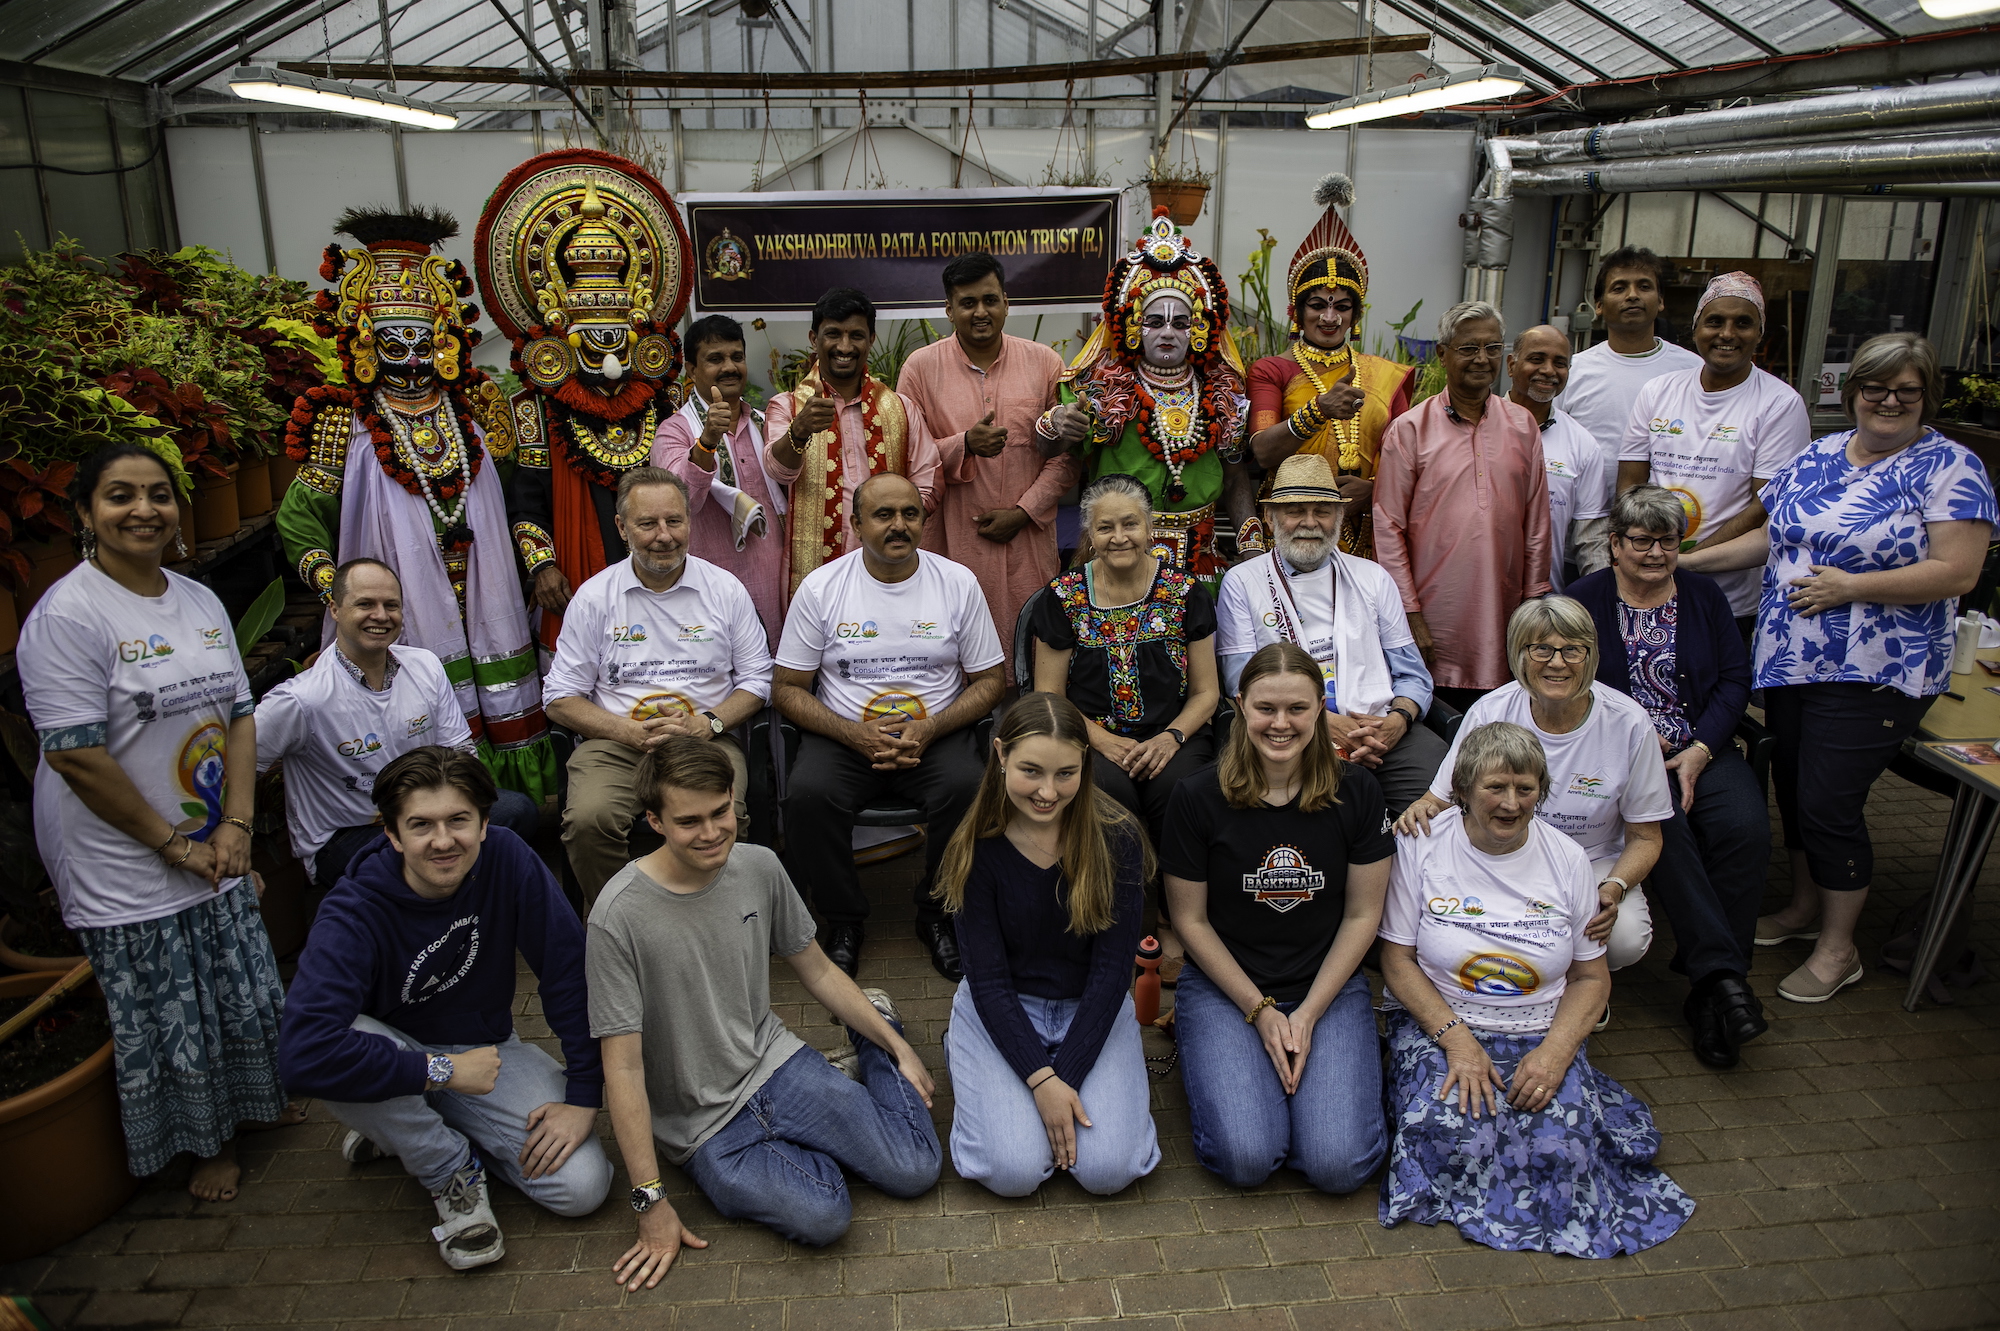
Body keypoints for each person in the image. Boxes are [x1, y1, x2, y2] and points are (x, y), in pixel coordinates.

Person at [21, 442, 298, 1203]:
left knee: (236, 981)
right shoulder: (67, 616)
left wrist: (236, 822)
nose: (143, 509)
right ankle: (203, 1146)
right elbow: (77, 755)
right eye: (119, 495)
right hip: (124, 854)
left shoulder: (197, 598)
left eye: (158, 494)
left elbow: (240, 715)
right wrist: (172, 844)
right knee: (167, 1006)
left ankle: (257, 1105)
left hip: (213, 837)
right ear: (84, 513)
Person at [1681, 332, 1994, 1004]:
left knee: (1829, 803)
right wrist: (1684, 564)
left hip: (1877, 669)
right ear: (1852, 392)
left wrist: (1853, 587)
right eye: (1875, 387)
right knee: (1794, 789)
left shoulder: (1952, 468)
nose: (1889, 400)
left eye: (1905, 391)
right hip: (1794, 660)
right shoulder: (1820, 454)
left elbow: (1959, 570)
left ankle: (1838, 945)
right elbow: (1775, 538)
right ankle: (1800, 909)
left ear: (1925, 397)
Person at [589, 739, 939, 1285]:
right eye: (689, 821)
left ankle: (873, 1033)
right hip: (703, 1126)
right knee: (825, 1216)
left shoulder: (759, 865)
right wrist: (649, 1201)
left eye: (720, 812)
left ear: (734, 799)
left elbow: (818, 970)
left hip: (776, 1065)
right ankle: (832, 1102)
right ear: (654, 820)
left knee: (916, 1168)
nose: (711, 833)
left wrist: (898, 1048)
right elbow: (623, 1068)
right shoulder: (616, 916)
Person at [278, 746, 610, 1269]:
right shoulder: (352, 910)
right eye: (420, 825)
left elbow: (568, 972)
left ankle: (403, 1127)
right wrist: (441, 1070)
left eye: (459, 820)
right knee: (342, 1040)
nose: (442, 841)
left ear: (483, 823)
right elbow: (301, 1054)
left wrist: (584, 1094)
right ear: (390, 834)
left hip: (484, 1051)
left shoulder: (508, 857)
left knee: (582, 1188)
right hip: (402, 1052)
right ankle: (447, 1167)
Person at [1378, 721, 1695, 1256]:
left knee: (1563, 1148)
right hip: (1441, 1023)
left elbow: (1592, 977)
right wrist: (1457, 1041)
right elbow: (1397, 958)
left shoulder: (1568, 860)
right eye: (1495, 787)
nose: (1510, 803)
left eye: (1525, 789)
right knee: (1448, 1129)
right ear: (1461, 790)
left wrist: (1555, 1054)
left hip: (1538, 1027)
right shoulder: (1422, 845)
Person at [277, 205, 555, 802]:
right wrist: (336, 588)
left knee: (503, 705)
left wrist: (535, 559)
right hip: (389, 601)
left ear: (445, 338)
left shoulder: (479, 410)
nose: (408, 354)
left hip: (487, 587)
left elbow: (517, 498)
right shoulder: (341, 421)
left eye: (420, 338)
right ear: (366, 339)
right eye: (392, 339)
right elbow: (300, 519)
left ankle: (513, 817)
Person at [1159, 643, 1394, 1193]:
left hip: (1324, 987)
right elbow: (1189, 923)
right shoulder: (1197, 797)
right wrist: (1261, 1011)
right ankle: (1212, 1051)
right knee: (1246, 1159)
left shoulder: (1357, 790)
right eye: (1266, 708)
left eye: (1297, 708)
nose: (1280, 724)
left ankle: (1325, 1083)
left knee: (1338, 1167)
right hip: (1227, 986)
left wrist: (1308, 1014)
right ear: (1240, 706)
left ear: (1320, 709)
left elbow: (1364, 914)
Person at [774, 473, 1007, 981]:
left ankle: (938, 915)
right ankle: (843, 919)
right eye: (883, 515)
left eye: (910, 514)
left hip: (934, 733)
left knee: (968, 786)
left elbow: (991, 680)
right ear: (856, 524)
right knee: (809, 795)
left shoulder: (957, 582)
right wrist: (852, 733)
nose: (898, 526)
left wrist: (933, 726)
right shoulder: (822, 588)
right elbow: (787, 687)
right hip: (845, 735)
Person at [1567, 485, 1769, 1068]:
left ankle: (1715, 988)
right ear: (1614, 544)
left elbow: (1735, 681)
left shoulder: (1705, 597)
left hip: (1701, 749)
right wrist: (1635, 736)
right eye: (1641, 541)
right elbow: (1566, 679)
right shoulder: (1583, 601)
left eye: (1667, 541)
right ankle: (1722, 988)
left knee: (1745, 829)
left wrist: (1702, 746)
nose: (1654, 553)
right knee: (1665, 827)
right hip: (1622, 756)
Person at [934, 694, 1160, 1197]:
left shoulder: (1116, 838)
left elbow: (1111, 973)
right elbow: (987, 979)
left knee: (1109, 1172)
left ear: (1085, 764)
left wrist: (1065, 1078)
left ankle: (1011, 1079)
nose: (1047, 792)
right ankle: (966, 1049)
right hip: (1005, 1005)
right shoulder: (978, 846)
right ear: (1000, 755)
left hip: (1090, 1005)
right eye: (1031, 770)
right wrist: (1041, 1079)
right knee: (1013, 1173)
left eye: (1065, 773)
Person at [481, 150, 695, 654]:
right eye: (593, 339)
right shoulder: (538, 408)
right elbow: (525, 498)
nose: (610, 356)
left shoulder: (663, 402)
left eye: (616, 338)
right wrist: (541, 564)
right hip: (576, 573)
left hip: (660, 561)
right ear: (564, 337)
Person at [1398, 597, 1671, 979]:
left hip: (1590, 860)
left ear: (1590, 655)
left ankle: (1580, 983)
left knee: (1624, 937)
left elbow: (1646, 836)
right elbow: (1440, 799)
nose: (1557, 663)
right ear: (1518, 654)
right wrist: (1417, 814)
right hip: (1499, 853)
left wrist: (1615, 886)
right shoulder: (1491, 711)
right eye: (1541, 648)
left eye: (1572, 649)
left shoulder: (1628, 723)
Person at [543, 468, 772, 907]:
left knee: (723, 821)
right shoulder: (594, 598)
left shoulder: (724, 590)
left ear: (689, 521)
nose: (663, 536)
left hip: (703, 741)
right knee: (590, 821)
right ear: (622, 528)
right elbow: (560, 698)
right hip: (618, 740)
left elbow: (758, 680)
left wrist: (708, 723)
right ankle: (626, 922)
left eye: (674, 521)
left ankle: (715, 916)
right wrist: (625, 731)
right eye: (647, 524)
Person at [256, 557, 539, 904]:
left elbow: (460, 753)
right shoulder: (302, 698)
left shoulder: (424, 666)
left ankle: (478, 925)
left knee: (517, 813)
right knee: (431, 868)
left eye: (391, 605)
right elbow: (239, 765)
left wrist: (465, 815)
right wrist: (234, 831)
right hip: (350, 834)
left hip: (430, 811)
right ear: (334, 608)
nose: (381, 615)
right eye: (365, 604)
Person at [1216, 453, 1445, 814]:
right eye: (1295, 511)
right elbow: (1238, 684)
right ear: (1270, 520)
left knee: (1434, 793)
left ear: (1339, 517)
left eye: (1322, 510)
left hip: (1382, 729)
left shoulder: (1372, 576)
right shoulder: (1242, 583)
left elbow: (1413, 674)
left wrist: (1397, 721)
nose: (1310, 523)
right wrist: (1324, 724)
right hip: (1291, 729)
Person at [1038, 209, 1250, 579]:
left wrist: (1252, 546)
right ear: (1134, 327)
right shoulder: (1102, 386)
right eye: (1155, 321)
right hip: (1117, 554)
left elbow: (1234, 477)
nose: (1168, 332)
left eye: (1180, 322)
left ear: (1197, 330)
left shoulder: (1221, 391)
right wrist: (1056, 423)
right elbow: (1050, 450)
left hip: (1200, 558)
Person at [901, 252, 1077, 677]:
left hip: (1027, 545)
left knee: (1031, 656)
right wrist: (963, 444)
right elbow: (905, 457)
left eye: (990, 300)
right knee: (951, 657)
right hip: (952, 543)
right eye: (967, 303)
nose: (980, 312)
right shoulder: (920, 369)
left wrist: (1023, 512)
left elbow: (1069, 457)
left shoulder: (1045, 364)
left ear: (1006, 302)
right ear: (949, 309)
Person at [1374, 301, 1552, 712]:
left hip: (1505, 617)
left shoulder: (1523, 426)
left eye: (1492, 348)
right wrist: (1408, 614)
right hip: (1433, 620)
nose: (1482, 359)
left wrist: (1532, 604)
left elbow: (1538, 525)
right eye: (1469, 348)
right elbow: (1388, 527)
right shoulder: (1410, 430)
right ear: (1443, 354)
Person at [1030, 473, 1219, 854]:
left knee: (1182, 790)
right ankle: (1115, 901)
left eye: (1130, 523)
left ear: (1150, 527)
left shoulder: (1185, 592)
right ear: (1090, 535)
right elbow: (1049, 695)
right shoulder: (1064, 596)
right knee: (1105, 793)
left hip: (1175, 735)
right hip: (1092, 738)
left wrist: (1172, 737)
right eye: (1105, 527)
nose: (1119, 537)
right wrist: (1105, 742)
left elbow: (1206, 691)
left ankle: (1176, 906)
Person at [1617, 271, 1810, 632]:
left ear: (1760, 334)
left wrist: (1688, 558)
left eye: (1743, 323)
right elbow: (1631, 482)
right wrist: (1645, 554)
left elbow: (1762, 507)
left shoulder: (1780, 404)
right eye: (1715, 321)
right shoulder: (1658, 390)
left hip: (1728, 597)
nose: (1727, 334)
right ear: (1696, 329)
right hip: (1647, 582)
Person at [1243, 173, 1415, 559]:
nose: (1330, 317)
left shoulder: (1385, 375)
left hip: (1366, 531)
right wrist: (1318, 410)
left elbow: (1407, 458)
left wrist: (1374, 489)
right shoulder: (1271, 370)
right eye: (1317, 305)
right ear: (1297, 311)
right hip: (1290, 528)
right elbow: (1264, 451)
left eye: (1342, 306)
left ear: (1356, 315)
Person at [764, 287, 941, 598]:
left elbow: (928, 479)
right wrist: (800, 430)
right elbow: (778, 472)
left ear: (870, 339)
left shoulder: (900, 407)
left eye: (856, 335)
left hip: (891, 562)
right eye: (833, 334)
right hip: (817, 568)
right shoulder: (787, 406)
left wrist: (897, 527)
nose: (844, 346)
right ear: (813, 338)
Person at [654, 313, 787, 645]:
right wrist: (707, 440)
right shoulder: (674, 431)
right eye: (715, 359)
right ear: (692, 369)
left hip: (774, 585)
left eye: (736, 357)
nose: (729, 367)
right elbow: (679, 503)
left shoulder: (764, 423)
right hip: (708, 590)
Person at [1553, 246, 1703, 511]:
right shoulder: (1574, 370)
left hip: (1665, 527)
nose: (1632, 295)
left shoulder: (1692, 370)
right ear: (1598, 305)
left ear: (1660, 301)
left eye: (1644, 286)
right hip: (1583, 522)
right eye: (1619, 288)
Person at [1507, 325, 1609, 592]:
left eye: (1560, 363)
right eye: (1537, 359)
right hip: (1472, 600)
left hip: (1541, 607)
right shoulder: (1478, 427)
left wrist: (1600, 601)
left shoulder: (1582, 444)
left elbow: (1592, 539)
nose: (1549, 370)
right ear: (1511, 365)